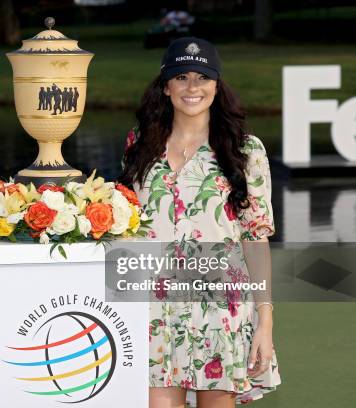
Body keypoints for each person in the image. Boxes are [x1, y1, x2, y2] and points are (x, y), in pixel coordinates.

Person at [120, 37, 281, 407]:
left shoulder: (246, 150)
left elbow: (255, 239)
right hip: (153, 309)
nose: (192, 87)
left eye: (202, 77)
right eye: (182, 77)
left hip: (222, 309)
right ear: (166, 86)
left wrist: (265, 321)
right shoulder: (138, 144)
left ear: (216, 85)